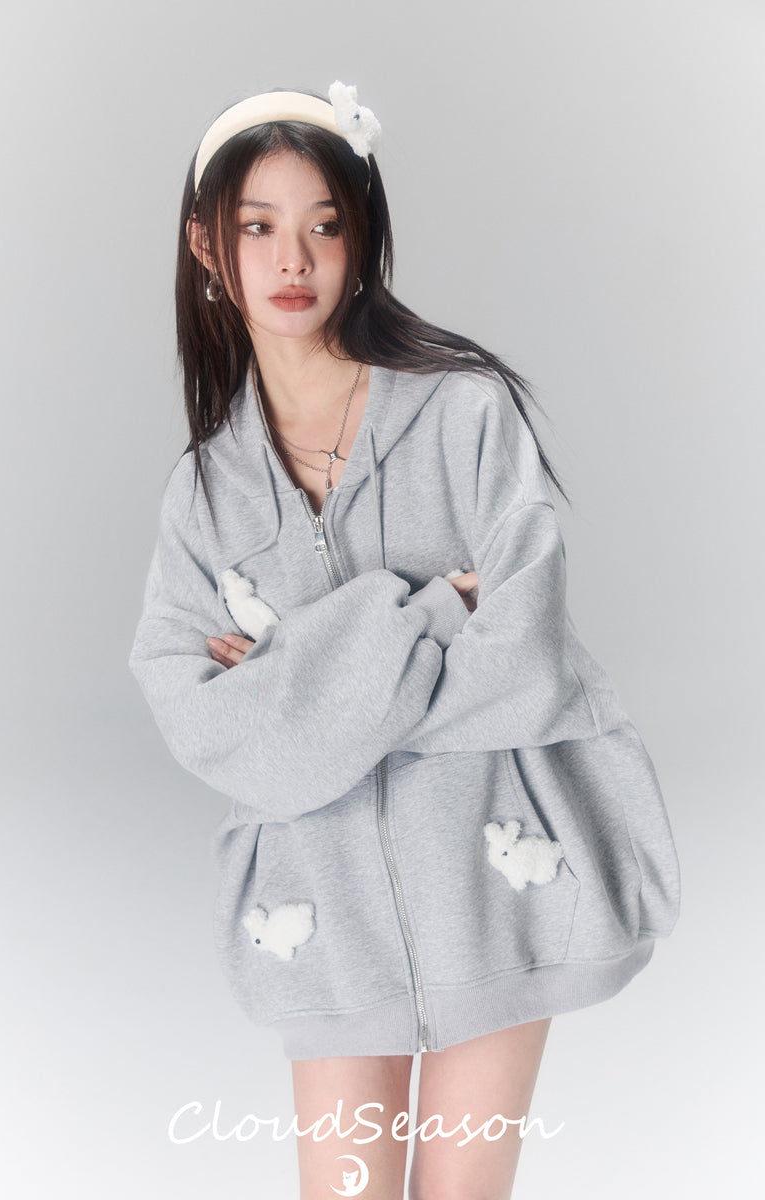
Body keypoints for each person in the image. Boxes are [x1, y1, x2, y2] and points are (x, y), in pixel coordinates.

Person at [128, 81, 681, 1200]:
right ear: (207, 246)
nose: (294, 258)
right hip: (319, 916)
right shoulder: (205, 495)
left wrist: (297, 687)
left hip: (494, 889)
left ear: (361, 238)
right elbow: (208, 728)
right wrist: (425, 613)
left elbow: (525, 662)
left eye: (324, 224)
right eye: (258, 227)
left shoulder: (462, 413)